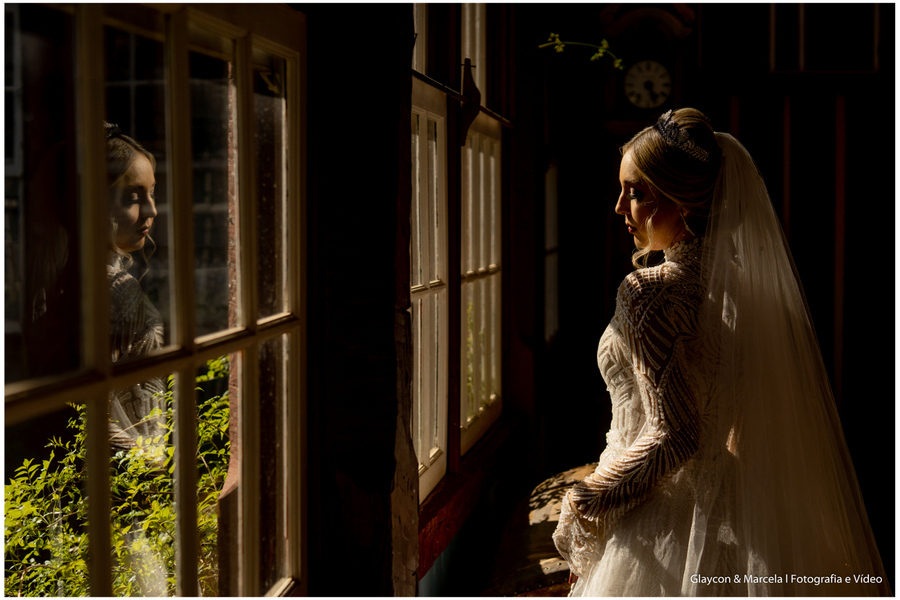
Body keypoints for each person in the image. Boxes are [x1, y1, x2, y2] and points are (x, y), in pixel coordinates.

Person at [552, 108, 889, 596]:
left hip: (661, 522)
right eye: (623, 190)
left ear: (683, 202)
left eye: (637, 192)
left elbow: (678, 434)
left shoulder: (649, 292)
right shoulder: (744, 290)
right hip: (732, 509)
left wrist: (585, 500)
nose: (621, 208)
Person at [104, 122, 167, 452]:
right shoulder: (118, 290)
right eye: (133, 197)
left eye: (152, 193)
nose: (153, 210)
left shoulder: (85, 278)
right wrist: (152, 464)